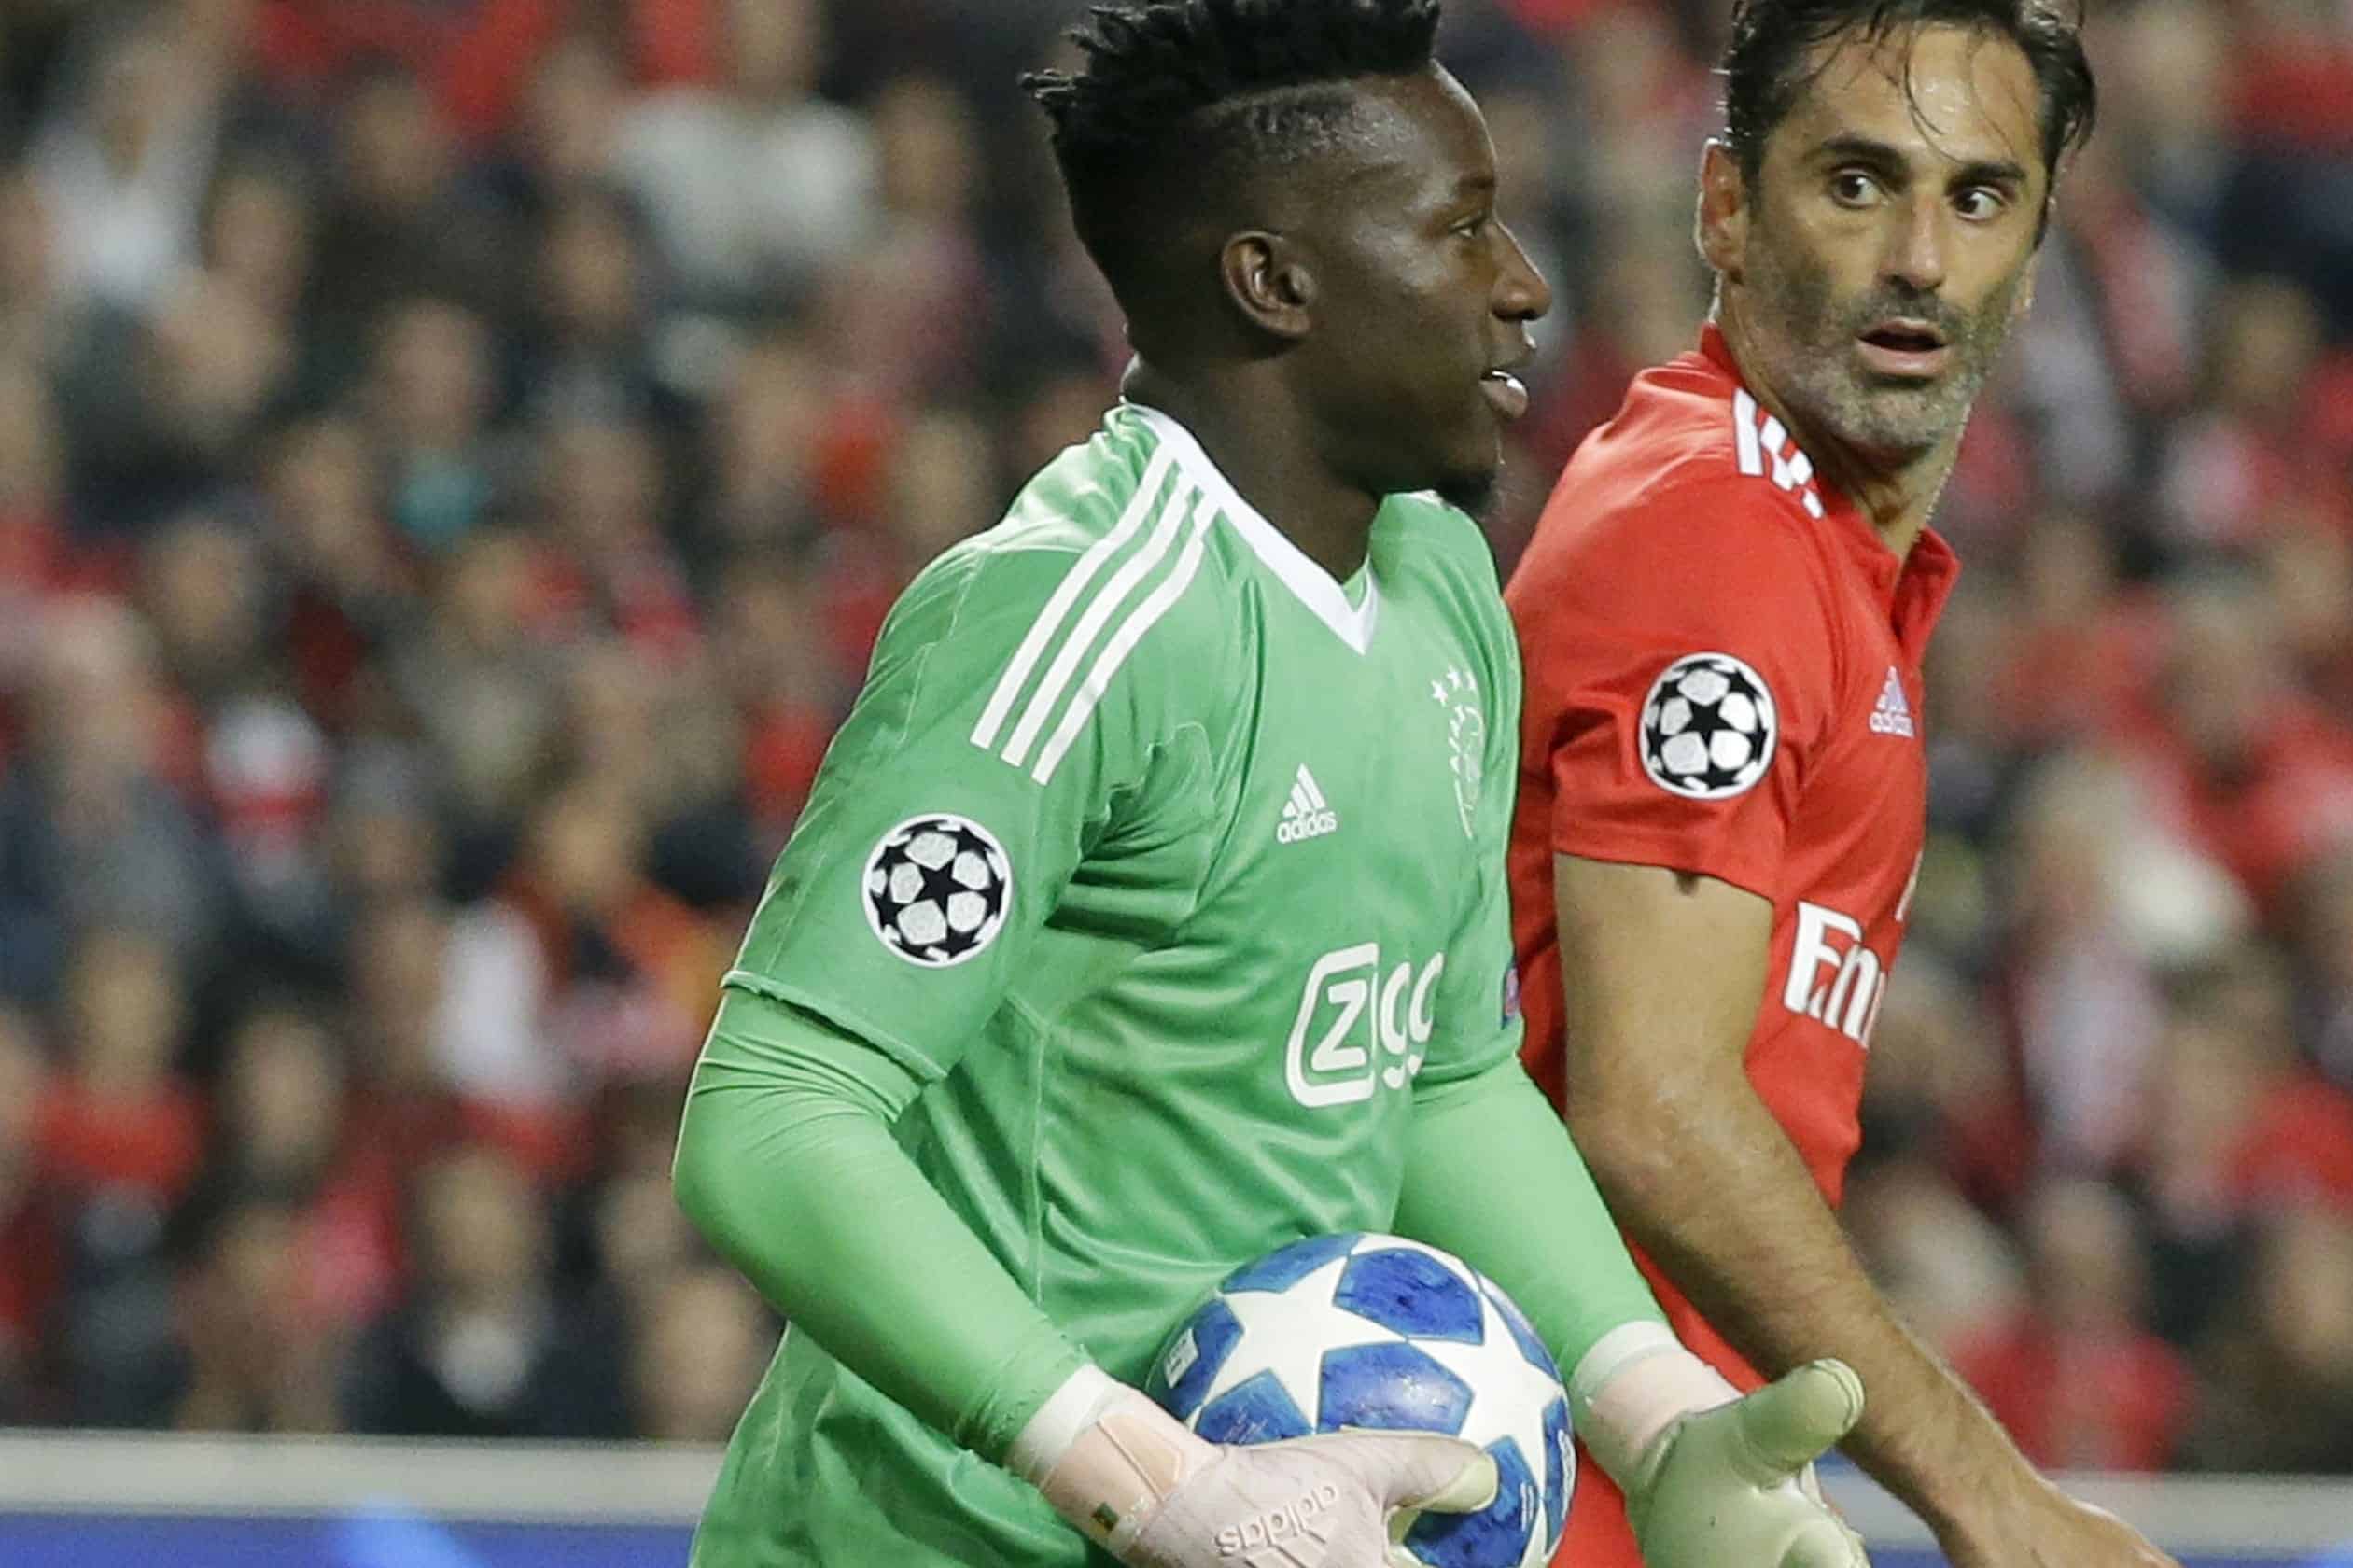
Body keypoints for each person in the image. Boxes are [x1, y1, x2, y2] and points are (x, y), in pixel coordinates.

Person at [669, 4, 1872, 1567]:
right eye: (1461, 229)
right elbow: (772, 1120)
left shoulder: (1439, 581)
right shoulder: (1075, 614)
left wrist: (1651, 1416)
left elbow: (1436, 1072)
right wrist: (1155, 1483)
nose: (1523, 286)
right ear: (1275, 283)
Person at [1506, 2, 2175, 1565]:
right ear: (1726, 209)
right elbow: (1655, 1111)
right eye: (1857, 184)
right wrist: (1995, 1500)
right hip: (1540, 1494)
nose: (1921, 261)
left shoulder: (1825, 556)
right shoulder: (1717, 539)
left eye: (1980, 197)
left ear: (2037, 248)